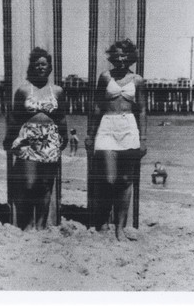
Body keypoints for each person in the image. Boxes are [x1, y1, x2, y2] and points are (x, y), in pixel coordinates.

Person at [85, 38, 147, 241]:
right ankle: (102, 221)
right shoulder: (105, 77)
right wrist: (90, 134)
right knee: (109, 179)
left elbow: (143, 110)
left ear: (131, 57)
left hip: (129, 128)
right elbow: (96, 107)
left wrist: (144, 138)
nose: (121, 59)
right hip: (107, 127)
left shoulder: (138, 80)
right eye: (117, 55)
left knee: (126, 180)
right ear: (112, 57)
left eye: (125, 55)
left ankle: (120, 228)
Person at [4, 47, 68, 231]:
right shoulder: (23, 90)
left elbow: (61, 117)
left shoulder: (57, 91)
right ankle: (27, 223)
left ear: (49, 68)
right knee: (29, 183)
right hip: (28, 139)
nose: (40, 67)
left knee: (46, 185)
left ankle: (40, 225)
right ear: (32, 67)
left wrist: (63, 137)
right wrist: (9, 139)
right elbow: (15, 117)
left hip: (50, 139)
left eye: (44, 64)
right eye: (37, 64)